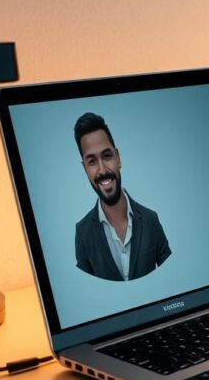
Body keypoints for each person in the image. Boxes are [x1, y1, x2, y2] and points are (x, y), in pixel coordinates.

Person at [73, 112, 171, 281]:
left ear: (118, 158)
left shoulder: (151, 220)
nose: (102, 170)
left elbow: (174, 276)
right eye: (92, 162)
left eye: (107, 156)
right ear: (85, 169)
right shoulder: (83, 233)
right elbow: (86, 289)